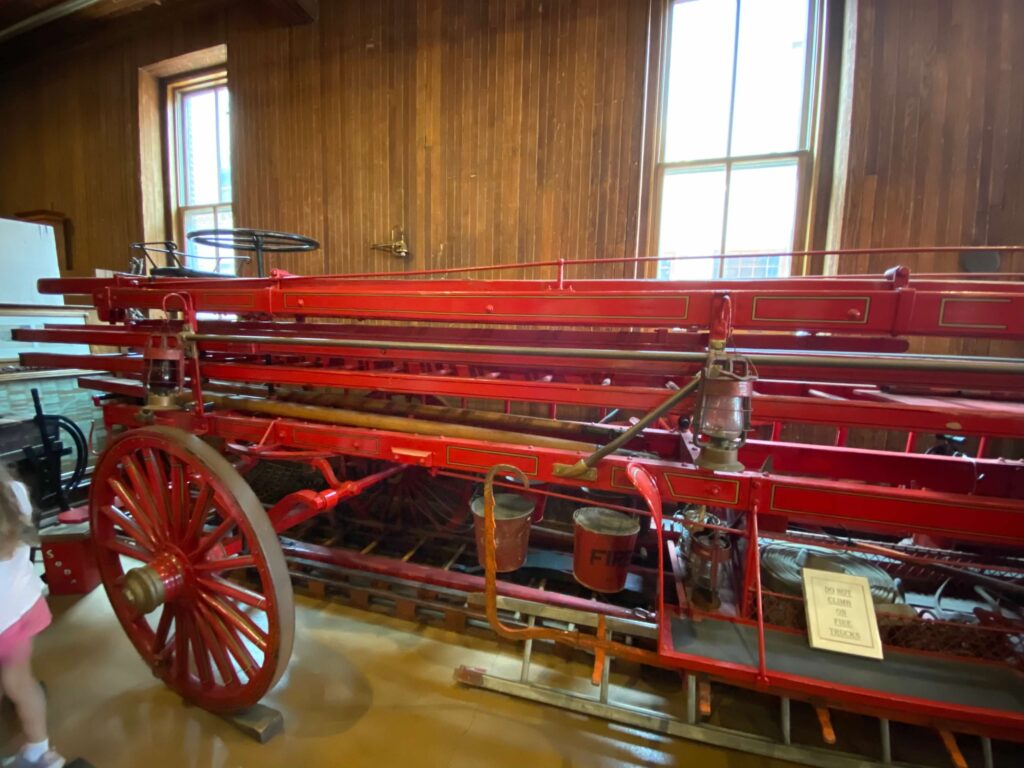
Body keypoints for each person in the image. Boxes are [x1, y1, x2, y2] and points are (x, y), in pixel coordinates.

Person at [0, 471, 64, 768]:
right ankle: (40, 751)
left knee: (15, 683)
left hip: (3, 624)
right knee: (22, 684)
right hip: (27, 606)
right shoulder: (15, 491)